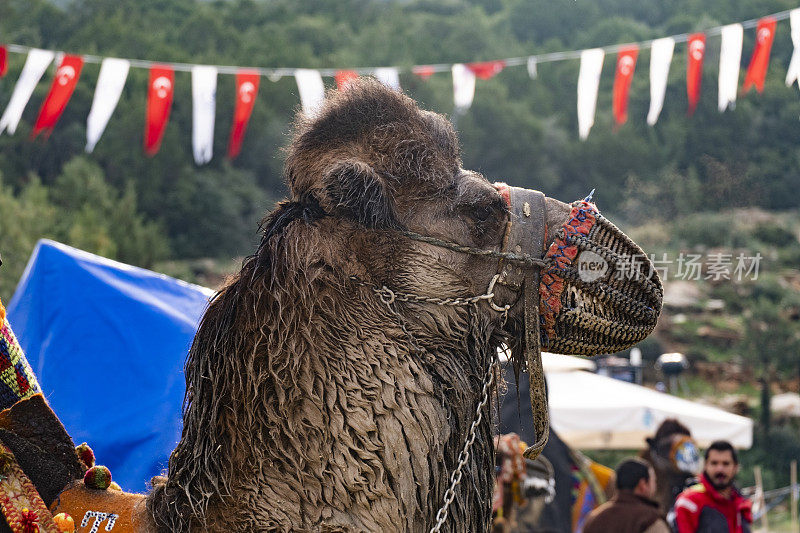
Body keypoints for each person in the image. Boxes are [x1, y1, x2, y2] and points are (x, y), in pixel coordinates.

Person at [672, 440, 752, 533]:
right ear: (705, 465)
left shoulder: (740, 503)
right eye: (714, 463)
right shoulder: (690, 502)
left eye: (726, 464)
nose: (720, 469)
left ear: (735, 467)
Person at [583, 458, 670, 533]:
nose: (655, 486)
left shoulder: (593, 519)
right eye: (654, 481)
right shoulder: (649, 519)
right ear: (643, 484)